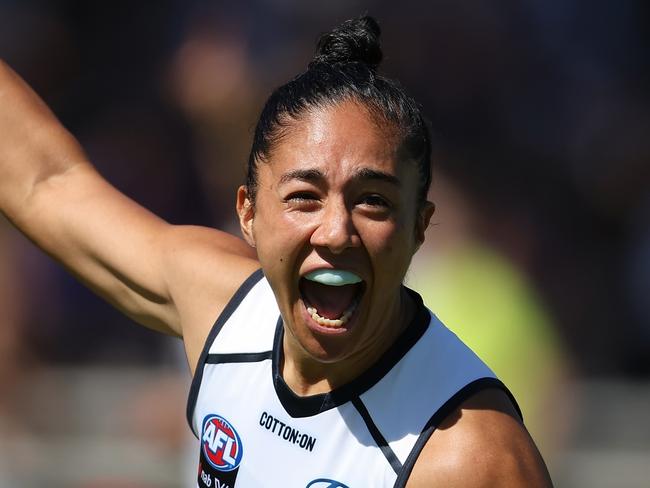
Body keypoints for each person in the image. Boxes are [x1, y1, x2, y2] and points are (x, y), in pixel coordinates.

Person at [0, 16, 552, 488]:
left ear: (420, 227)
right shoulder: (222, 310)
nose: (336, 232)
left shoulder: (473, 459)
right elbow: (47, 184)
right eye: (304, 198)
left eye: (373, 202)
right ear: (247, 213)